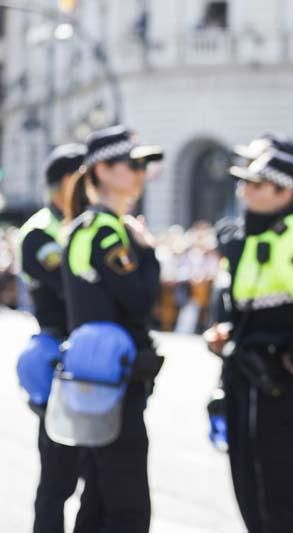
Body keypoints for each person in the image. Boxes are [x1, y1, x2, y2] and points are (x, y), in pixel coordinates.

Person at [204, 134, 293, 532]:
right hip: (246, 383)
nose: (243, 190)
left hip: (279, 389)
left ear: (284, 192)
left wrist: (290, 361)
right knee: (252, 492)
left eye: (254, 183)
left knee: (285, 500)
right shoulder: (252, 238)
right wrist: (224, 333)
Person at [55, 125, 164, 532]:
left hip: (92, 377)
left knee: (98, 495)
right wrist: (148, 252)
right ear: (102, 170)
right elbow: (139, 300)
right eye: (132, 164)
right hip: (115, 379)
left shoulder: (82, 226)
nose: (140, 174)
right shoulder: (106, 229)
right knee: (127, 504)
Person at [16, 144, 85, 533]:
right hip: (59, 358)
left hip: (90, 359)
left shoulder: (82, 224)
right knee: (58, 475)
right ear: (68, 182)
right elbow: (69, 286)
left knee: (100, 477)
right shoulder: (41, 231)